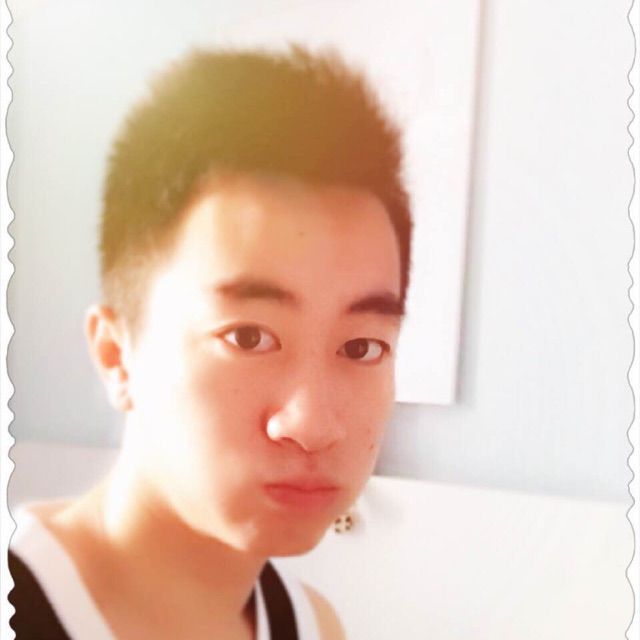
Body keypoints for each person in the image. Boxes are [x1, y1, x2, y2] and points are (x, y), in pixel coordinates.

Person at [8, 45, 412, 639]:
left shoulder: (315, 625)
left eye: (361, 348)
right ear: (117, 356)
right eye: (248, 336)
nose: (313, 426)